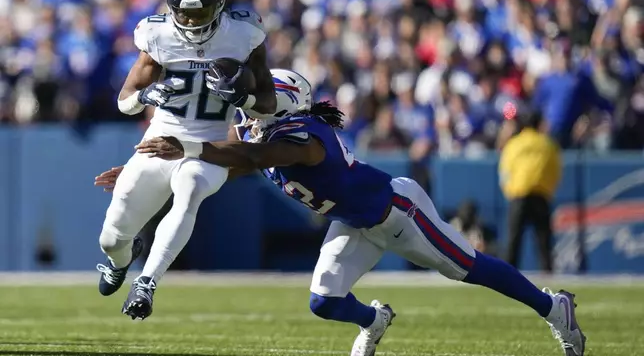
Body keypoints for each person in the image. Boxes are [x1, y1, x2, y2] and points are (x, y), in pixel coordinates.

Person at [97, 70, 586, 356]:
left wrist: (185, 147)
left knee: (469, 268)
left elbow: (248, 158)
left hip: (398, 211)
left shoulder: (304, 138)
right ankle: (374, 319)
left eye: (258, 102)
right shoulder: (264, 136)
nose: (247, 109)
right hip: (354, 222)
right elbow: (232, 160)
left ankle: (552, 308)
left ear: (283, 103)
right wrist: (149, 169)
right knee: (324, 301)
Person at [97, 0, 276, 321]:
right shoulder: (158, 35)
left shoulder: (244, 34)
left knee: (190, 187)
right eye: (184, 14)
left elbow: (268, 105)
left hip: (209, 146)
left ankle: (147, 282)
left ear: (220, 3)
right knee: (110, 237)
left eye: (201, 13)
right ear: (172, 6)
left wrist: (243, 100)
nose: (192, 23)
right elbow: (124, 101)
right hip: (160, 141)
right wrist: (148, 94)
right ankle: (123, 257)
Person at [499, 111, 562, 273]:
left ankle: (508, 276)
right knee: (543, 242)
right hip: (540, 195)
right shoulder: (547, 143)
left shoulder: (514, 143)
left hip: (518, 195)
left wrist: (509, 191)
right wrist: (549, 189)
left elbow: (505, 171)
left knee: (513, 241)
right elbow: (555, 171)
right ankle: (548, 275)